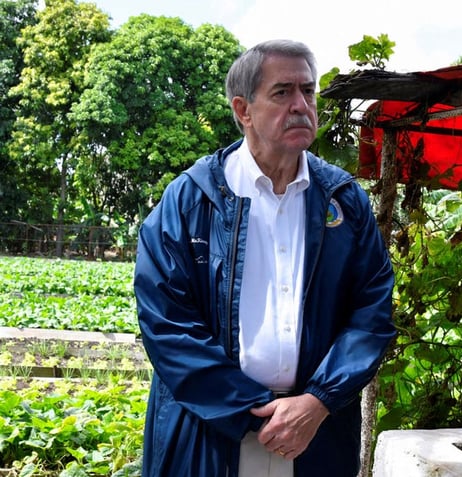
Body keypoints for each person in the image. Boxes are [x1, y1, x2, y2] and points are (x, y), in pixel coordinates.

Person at [133, 39, 396, 477]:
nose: (300, 105)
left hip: (316, 433)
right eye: (282, 92)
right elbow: (166, 323)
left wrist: (317, 402)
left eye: (308, 92)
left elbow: (372, 310)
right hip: (209, 432)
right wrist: (254, 412)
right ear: (243, 110)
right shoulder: (190, 200)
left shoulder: (343, 200)